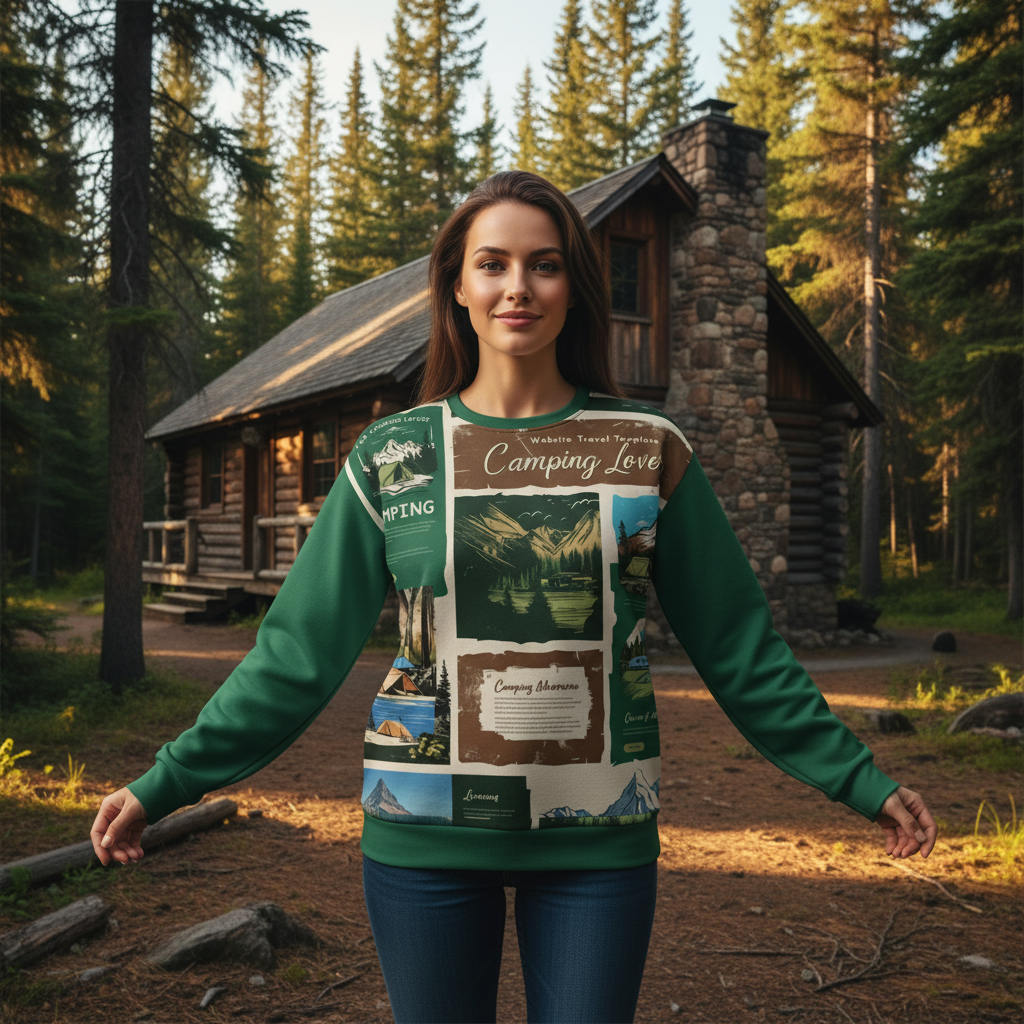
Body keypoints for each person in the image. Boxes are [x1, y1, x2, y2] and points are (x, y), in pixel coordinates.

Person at [91, 170, 937, 1024]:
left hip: (599, 837)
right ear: (458, 285)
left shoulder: (648, 448)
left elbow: (739, 647)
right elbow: (296, 654)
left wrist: (858, 780)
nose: (517, 287)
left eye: (545, 265)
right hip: (421, 833)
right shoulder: (396, 454)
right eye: (492, 264)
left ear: (575, 288)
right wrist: (166, 783)